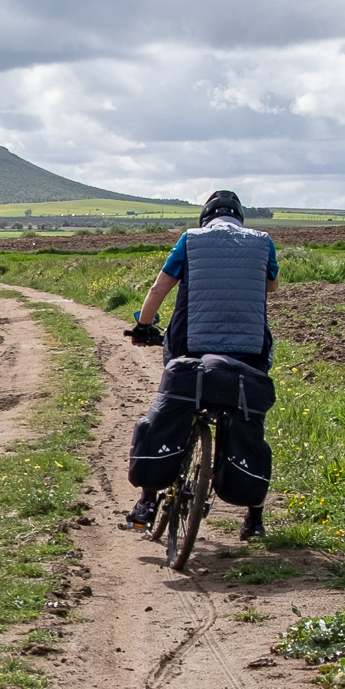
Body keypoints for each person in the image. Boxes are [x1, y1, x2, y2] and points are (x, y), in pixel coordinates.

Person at [124, 190, 278, 539]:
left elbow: (159, 288)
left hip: (191, 347)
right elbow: (272, 286)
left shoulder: (190, 240)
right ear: (240, 217)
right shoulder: (263, 242)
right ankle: (254, 519)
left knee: (173, 404)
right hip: (248, 352)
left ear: (204, 217)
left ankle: (147, 501)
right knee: (249, 420)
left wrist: (144, 326)